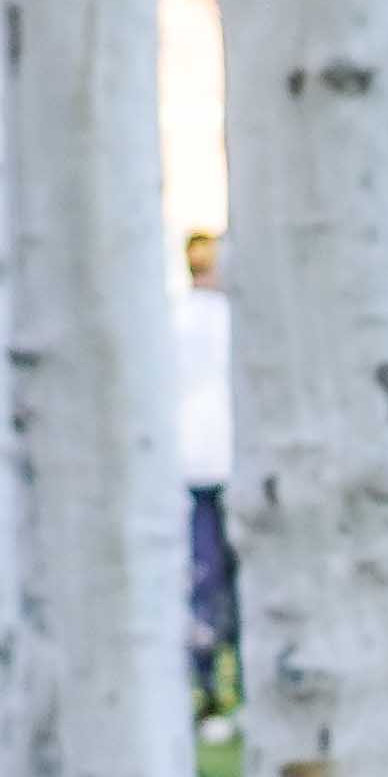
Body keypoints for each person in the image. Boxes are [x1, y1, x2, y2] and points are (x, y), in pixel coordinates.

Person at [173, 228, 239, 711]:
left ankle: (207, 685)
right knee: (234, 575)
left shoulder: (172, 320)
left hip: (192, 462)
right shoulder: (233, 319)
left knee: (203, 573)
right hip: (228, 459)